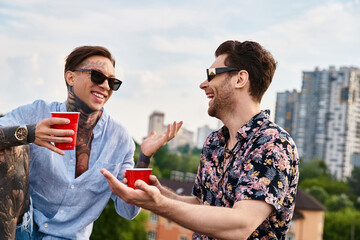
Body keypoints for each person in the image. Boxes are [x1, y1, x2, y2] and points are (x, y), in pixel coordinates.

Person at [101, 40, 299, 240]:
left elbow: (241, 224)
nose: (203, 84)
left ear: (240, 79)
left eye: (211, 75)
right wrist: (160, 195)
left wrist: (159, 204)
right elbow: (202, 206)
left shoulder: (273, 144)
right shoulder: (214, 142)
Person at [0, 45, 182, 239]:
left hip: (69, 237)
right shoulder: (37, 112)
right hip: (22, 229)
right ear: (71, 77)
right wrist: (29, 133)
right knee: (9, 148)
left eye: (113, 82)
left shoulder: (119, 139)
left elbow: (127, 211)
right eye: (97, 76)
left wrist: (145, 157)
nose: (105, 86)